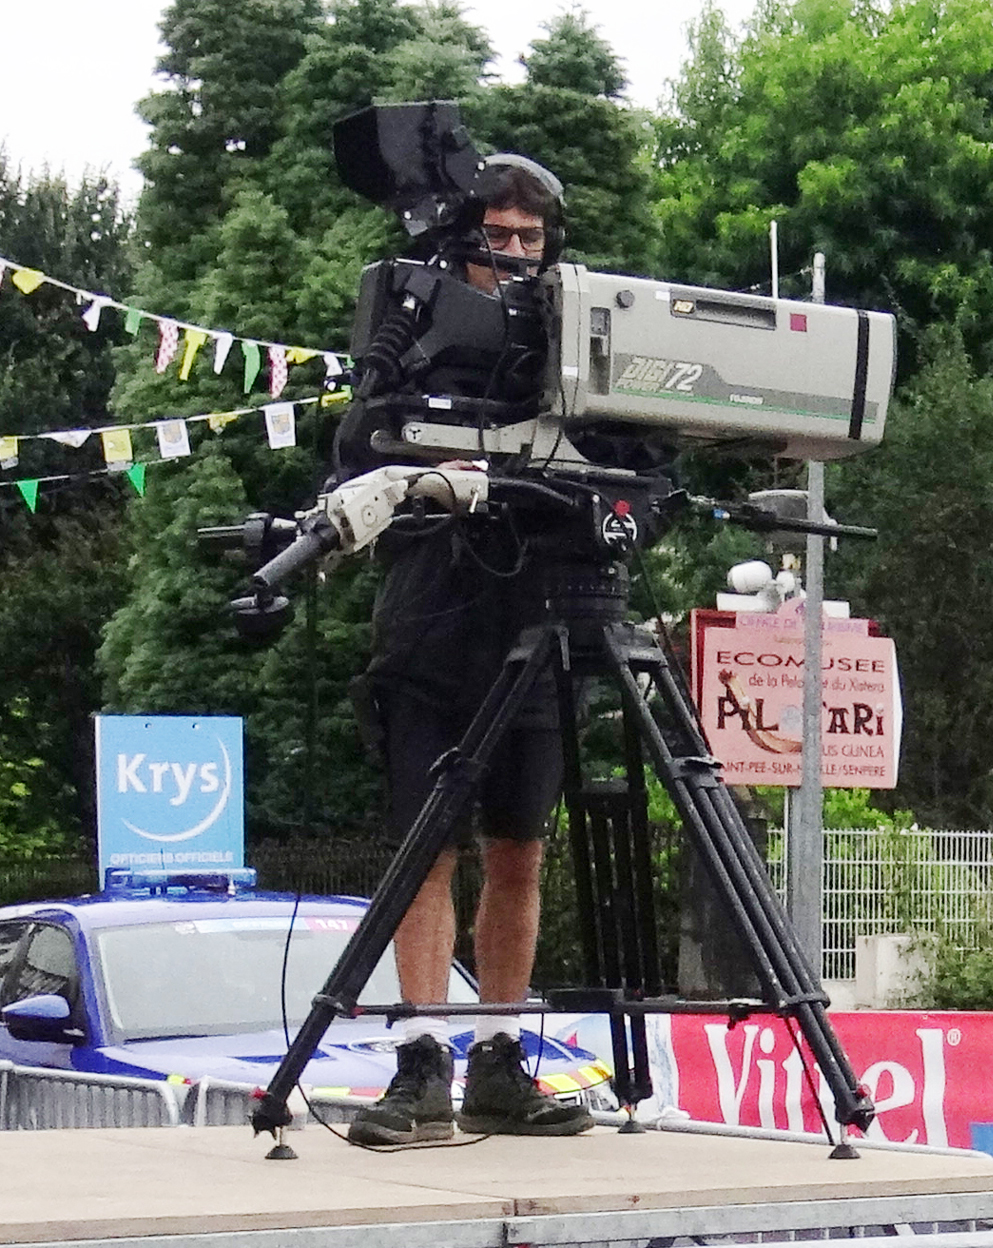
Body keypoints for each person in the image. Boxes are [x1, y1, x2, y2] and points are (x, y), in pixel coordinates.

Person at [344, 155, 594, 1145]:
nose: (517, 253)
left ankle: (498, 1060)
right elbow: (357, 450)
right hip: (432, 622)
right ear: (466, 236)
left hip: (537, 624)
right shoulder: (409, 331)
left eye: (532, 239)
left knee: (521, 852)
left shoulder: (573, 343)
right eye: (501, 235)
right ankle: (422, 1066)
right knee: (425, 853)